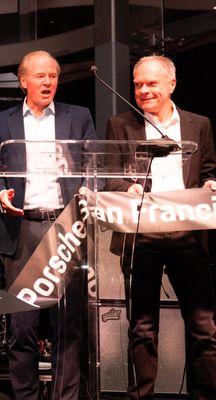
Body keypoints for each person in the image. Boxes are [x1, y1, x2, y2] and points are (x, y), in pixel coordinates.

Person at [0, 50, 96, 400]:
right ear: (23, 81)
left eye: (53, 76)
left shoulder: (79, 117)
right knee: (22, 326)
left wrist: (92, 190)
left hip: (66, 226)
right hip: (23, 230)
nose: (48, 82)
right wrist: (1, 196)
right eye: (40, 76)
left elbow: (94, 166)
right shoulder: (3, 122)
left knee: (68, 323)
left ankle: (65, 396)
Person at [105, 55, 216, 400]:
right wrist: (127, 188)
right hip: (142, 235)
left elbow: (209, 169)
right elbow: (110, 177)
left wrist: (212, 184)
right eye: (138, 84)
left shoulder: (200, 124)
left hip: (188, 234)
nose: (143, 90)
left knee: (204, 327)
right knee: (142, 329)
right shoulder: (119, 124)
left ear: (171, 84)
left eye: (152, 83)